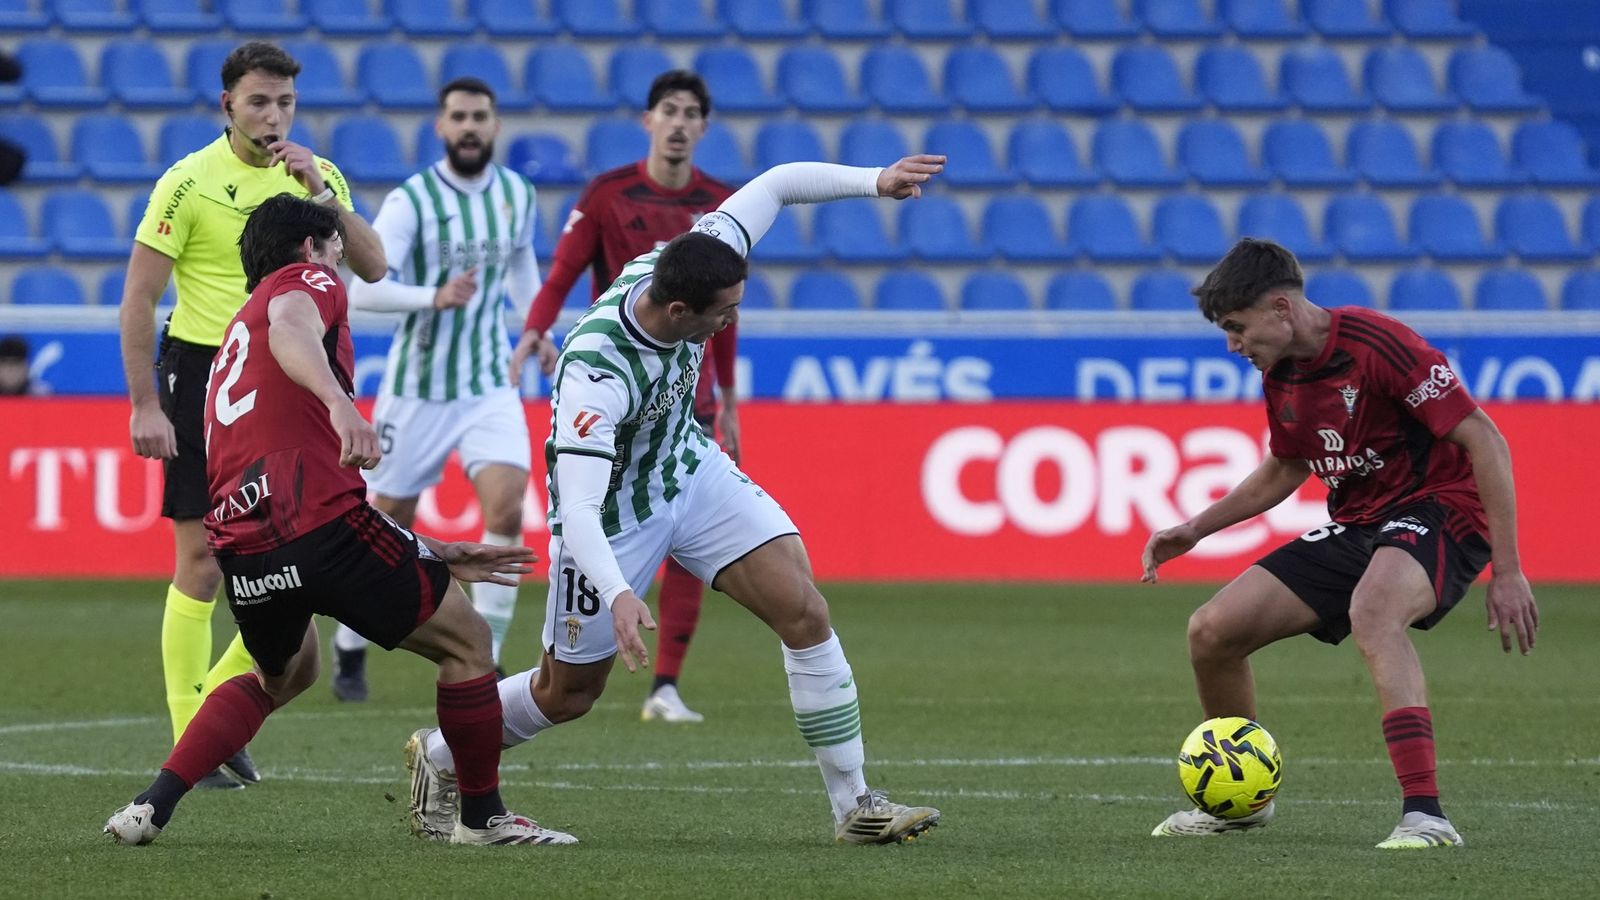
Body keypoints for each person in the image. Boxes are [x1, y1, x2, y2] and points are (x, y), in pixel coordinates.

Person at [401, 153, 947, 847]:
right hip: (609, 522)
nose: (730, 323)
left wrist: (873, 181)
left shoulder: (695, 254)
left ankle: (856, 807)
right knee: (566, 694)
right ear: (680, 309)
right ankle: (442, 754)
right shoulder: (599, 374)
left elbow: (776, 184)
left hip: (685, 470)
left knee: (804, 610)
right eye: (724, 314)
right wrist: (619, 592)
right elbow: (580, 507)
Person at [103, 194, 568, 847]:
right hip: (315, 518)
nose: (341, 261)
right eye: (336, 247)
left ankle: (151, 804)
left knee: (285, 673)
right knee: (467, 645)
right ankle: (482, 819)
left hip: (244, 539)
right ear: (310, 248)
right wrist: (340, 405)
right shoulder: (304, 282)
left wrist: (430, 548)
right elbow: (295, 327)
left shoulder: (235, 331)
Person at [1140, 239, 1539, 849]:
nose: (1233, 345)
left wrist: (1507, 572)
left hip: (1442, 506)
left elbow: (1486, 440)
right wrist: (1196, 528)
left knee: (1375, 611)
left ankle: (1426, 817)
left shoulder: (1378, 343)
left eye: (1237, 328)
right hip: (1362, 522)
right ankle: (1239, 803)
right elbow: (1286, 467)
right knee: (1212, 631)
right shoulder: (1280, 374)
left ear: (1280, 308)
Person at [118, 41, 386, 789]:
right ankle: (191, 733)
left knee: (296, 562)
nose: (274, 116)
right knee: (202, 559)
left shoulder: (317, 176)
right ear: (227, 106)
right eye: (260, 102)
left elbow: (375, 265)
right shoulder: (188, 182)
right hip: (209, 374)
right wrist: (146, 401)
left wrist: (324, 195)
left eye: (286, 103)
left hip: (296, 377)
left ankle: (216, 713)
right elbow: (139, 296)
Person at [510, 69, 737, 724]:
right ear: (648, 120)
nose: (679, 122)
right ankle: (569, 647)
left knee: (691, 527)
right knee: (595, 516)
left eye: (692, 112)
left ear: (703, 127)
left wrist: (728, 401)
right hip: (621, 392)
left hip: (689, 396)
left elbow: (726, 315)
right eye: (668, 109)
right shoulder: (610, 194)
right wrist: (533, 330)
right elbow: (563, 272)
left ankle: (666, 685)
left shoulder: (718, 206)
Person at [329, 76, 540, 702]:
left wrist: (538, 329)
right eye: (459, 117)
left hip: (486, 384)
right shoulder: (412, 199)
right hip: (416, 389)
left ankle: (492, 661)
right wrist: (434, 295)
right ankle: (349, 649)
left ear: (495, 125)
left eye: (480, 116)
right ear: (441, 127)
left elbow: (523, 264)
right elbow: (365, 290)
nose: (470, 126)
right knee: (385, 520)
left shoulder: (516, 194)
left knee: (505, 508)